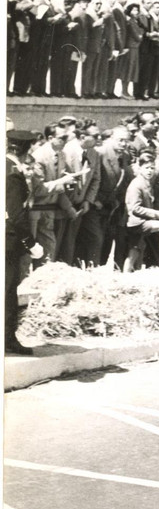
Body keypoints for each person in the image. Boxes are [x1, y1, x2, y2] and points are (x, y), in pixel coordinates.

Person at [6, 130, 46, 355]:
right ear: (25, 149)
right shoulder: (12, 173)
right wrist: (30, 243)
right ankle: (8, 338)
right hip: (9, 238)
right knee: (8, 289)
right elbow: (16, 215)